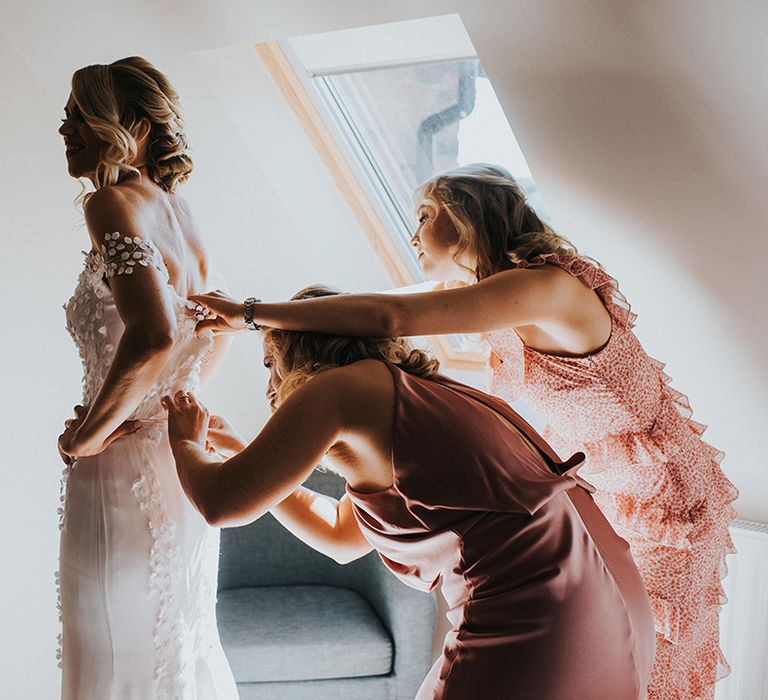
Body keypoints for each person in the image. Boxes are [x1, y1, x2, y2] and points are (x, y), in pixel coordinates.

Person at [192, 163, 737, 699]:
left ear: (470, 216)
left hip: (662, 491)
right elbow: (383, 310)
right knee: (618, 657)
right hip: (598, 493)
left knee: (654, 667)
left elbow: (387, 319)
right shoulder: (491, 301)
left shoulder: (549, 287)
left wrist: (249, 313)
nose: (412, 235)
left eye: (426, 215)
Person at [164, 285, 656, 700]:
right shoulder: (406, 392)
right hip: (596, 597)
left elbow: (219, 503)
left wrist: (185, 440)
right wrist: (239, 452)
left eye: (272, 363)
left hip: (538, 614)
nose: (269, 387)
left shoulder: (337, 390)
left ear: (303, 353)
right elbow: (340, 535)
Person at [56, 56, 238, 699]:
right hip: (178, 461)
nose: (64, 127)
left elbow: (157, 333)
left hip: (117, 470)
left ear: (131, 125)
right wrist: (174, 405)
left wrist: (88, 438)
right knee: (175, 641)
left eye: (81, 114)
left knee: (116, 651)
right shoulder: (181, 213)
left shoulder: (109, 203)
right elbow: (215, 327)